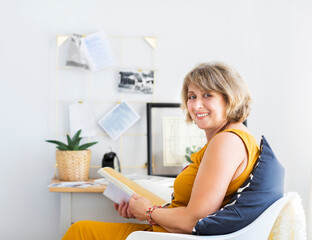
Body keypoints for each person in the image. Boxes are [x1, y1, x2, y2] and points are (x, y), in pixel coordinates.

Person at [62, 62, 260, 240]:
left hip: (173, 237)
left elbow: (196, 220)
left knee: (80, 231)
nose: (197, 105)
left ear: (230, 98)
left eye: (208, 95)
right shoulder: (234, 137)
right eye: (192, 96)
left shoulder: (226, 142)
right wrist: (145, 210)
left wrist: (148, 212)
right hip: (169, 232)